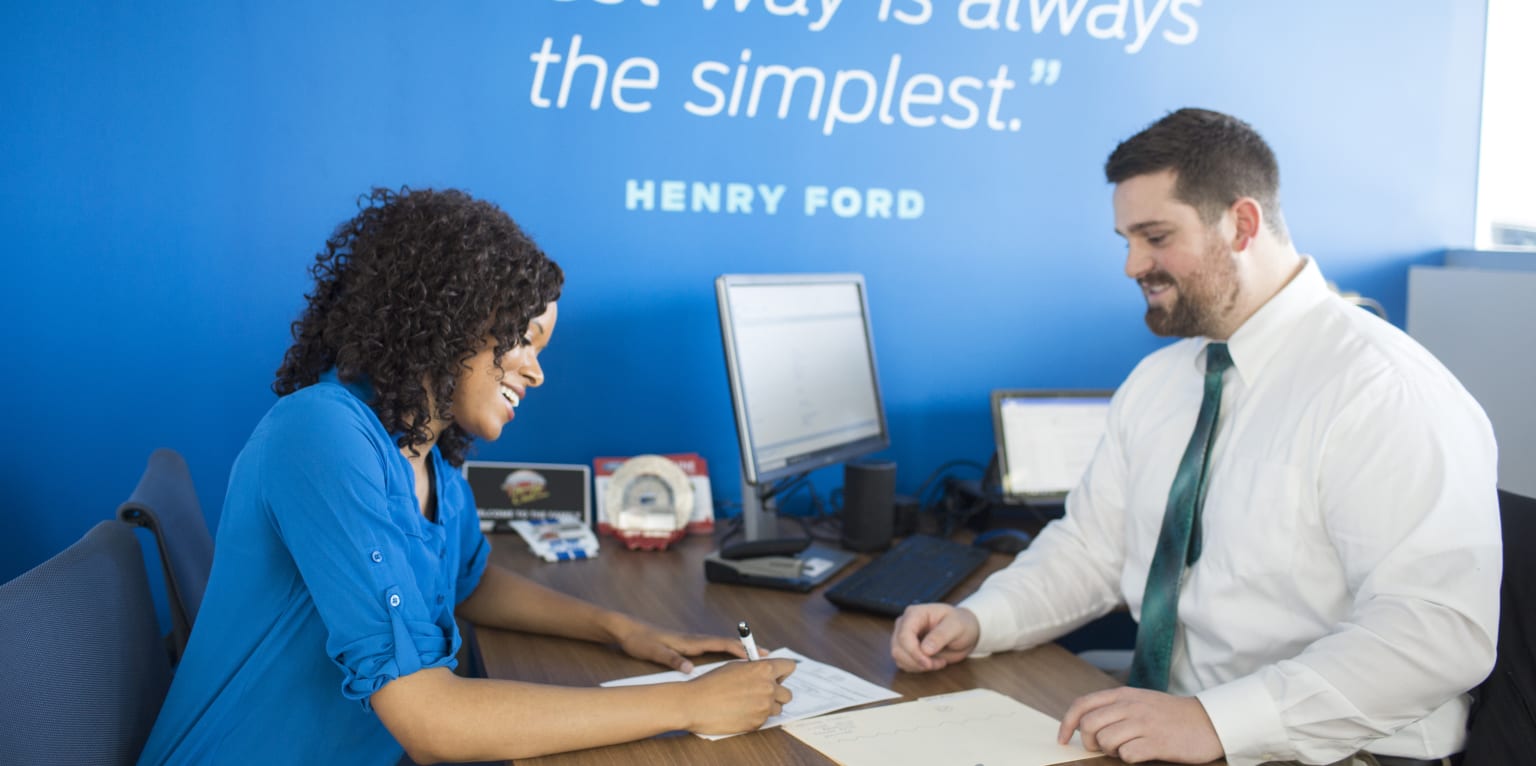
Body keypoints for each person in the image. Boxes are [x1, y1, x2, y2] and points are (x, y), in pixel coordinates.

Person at [891, 109, 1501, 766]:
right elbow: (1092, 549)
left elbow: (1438, 632)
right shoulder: (1163, 381)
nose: (1131, 265)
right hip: (1179, 731)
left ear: (1241, 225)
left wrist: (1216, 722)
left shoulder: (1383, 390)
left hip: (1342, 752)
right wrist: (983, 620)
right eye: (1124, 239)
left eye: (1154, 237)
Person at [138, 188, 796, 765]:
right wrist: (686, 705)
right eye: (524, 340)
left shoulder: (423, 447)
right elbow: (432, 721)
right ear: (453, 321)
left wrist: (623, 630)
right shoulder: (322, 436)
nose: (537, 371)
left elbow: (467, 580)